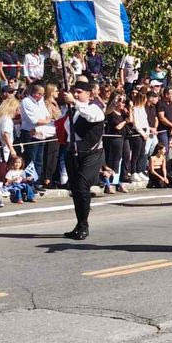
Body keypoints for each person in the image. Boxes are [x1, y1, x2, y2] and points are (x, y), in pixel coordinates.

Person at [61, 81, 107, 240]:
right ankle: (80, 223)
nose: (75, 94)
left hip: (91, 153)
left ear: (89, 94)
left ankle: (84, 225)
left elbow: (93, 116)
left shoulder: (94, 108)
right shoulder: (72, 111)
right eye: (74, 91)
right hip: (74, 152)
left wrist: (74, 102)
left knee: (82, 185)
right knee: (76, 189)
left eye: (79, 92)